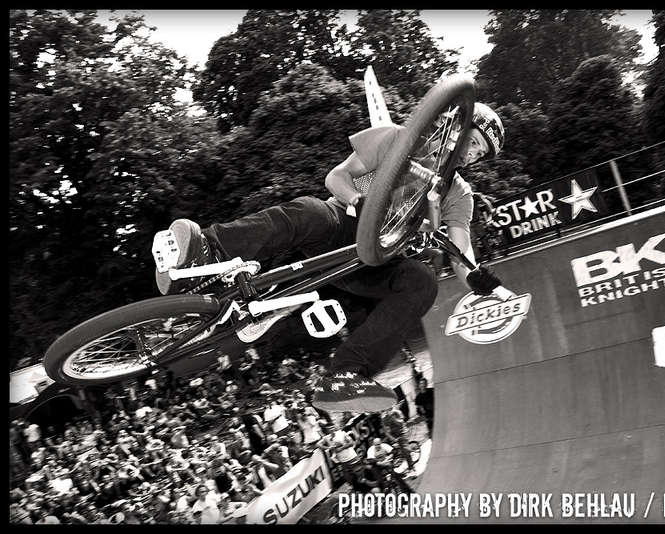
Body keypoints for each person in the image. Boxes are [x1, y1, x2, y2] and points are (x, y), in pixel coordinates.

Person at [151, 101, 505, 412]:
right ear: (454, 126)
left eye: (480, 154)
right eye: (474, 143)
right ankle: (207, 253)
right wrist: (357, 200)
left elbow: (461, 252)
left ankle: (346, 375)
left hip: (377, 261)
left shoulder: (458, 193)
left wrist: (477, 279)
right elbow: (337, 177)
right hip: (342, 227)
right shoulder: (396, 139)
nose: (473, 155)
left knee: (422, 282)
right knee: (309, 211)